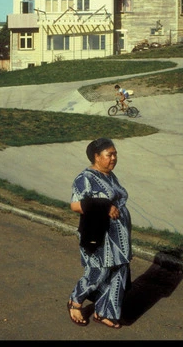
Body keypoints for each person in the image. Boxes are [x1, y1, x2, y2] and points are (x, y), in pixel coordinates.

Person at [67, 137, 132, 328]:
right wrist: (103, 206)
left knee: (119, 271)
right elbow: (75, 205)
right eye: (109, 154)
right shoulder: (84, 178)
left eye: (115, 154)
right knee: (99, 271)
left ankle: (106, 312)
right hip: (99, 234)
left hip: (118, 235)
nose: (113, 158)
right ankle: (75, 301)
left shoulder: (110, 175)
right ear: (96, 156)